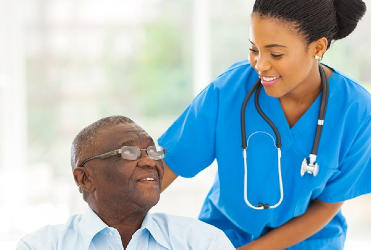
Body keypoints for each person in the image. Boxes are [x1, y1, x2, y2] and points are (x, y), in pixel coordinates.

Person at [158, 0, 370, 249]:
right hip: (225, 238)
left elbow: (328, 204)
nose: (260, 64)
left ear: (318, 47)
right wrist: (115, 220)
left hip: (309, 242)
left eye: (276, 54)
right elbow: (167, 165)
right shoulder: (227, 92)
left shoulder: (356, 111)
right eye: (254, 49)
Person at [17, 116, 235, 250]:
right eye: (129, 152)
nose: (150, 160)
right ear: (85, 178)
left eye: (153, 151)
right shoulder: (41, 246)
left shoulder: (201, 242)